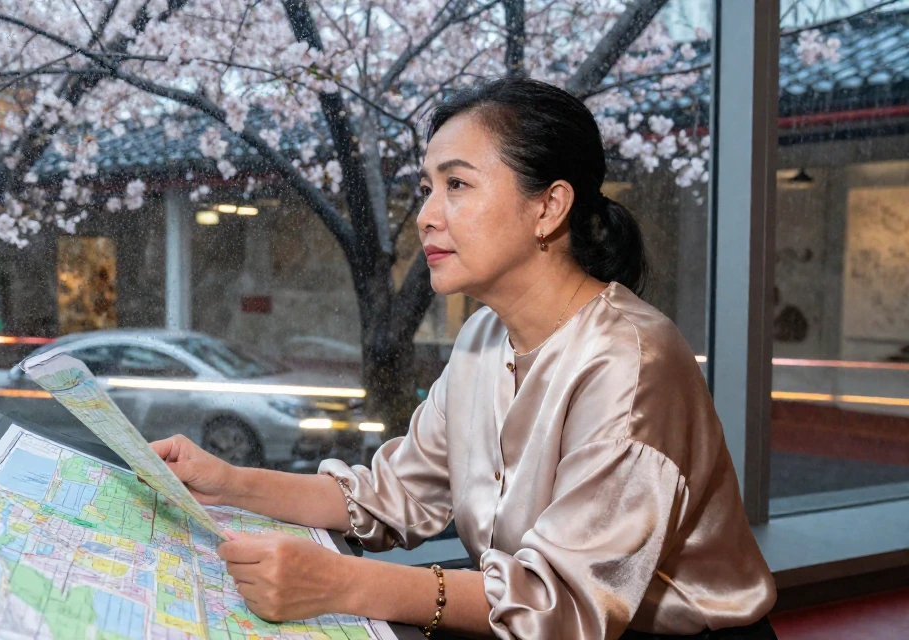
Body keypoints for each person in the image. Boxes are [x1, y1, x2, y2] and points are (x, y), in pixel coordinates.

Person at [150, 78, 778, 640]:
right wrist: (226, 482)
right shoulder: (482, 336)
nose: (425, 217)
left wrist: (341, 583)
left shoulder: (632, 360)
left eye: (456, 185)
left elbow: (564, 607)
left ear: (549, 207)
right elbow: (393, 495)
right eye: (427, 189)